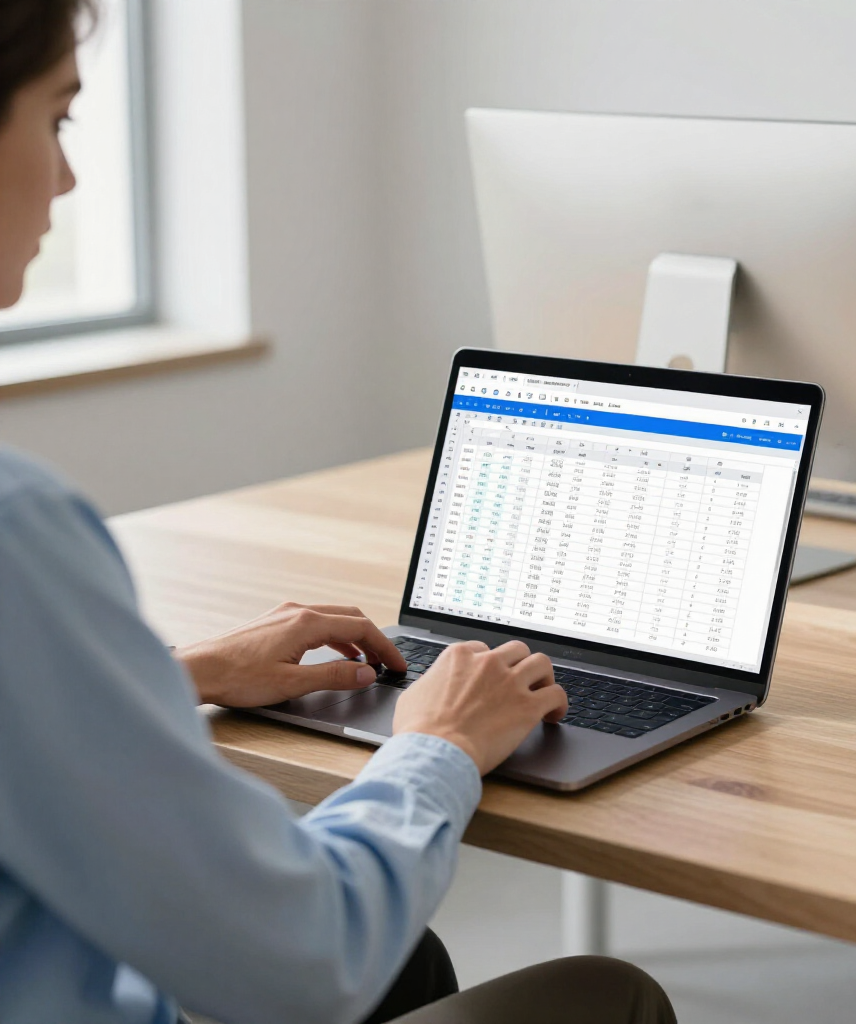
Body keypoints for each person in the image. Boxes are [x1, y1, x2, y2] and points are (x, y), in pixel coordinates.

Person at [0, 3, 677, 1023]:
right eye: (58, 121)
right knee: (603, 995)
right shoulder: (19, 532)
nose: (69, 178)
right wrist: (438, 744)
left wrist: (170, 678)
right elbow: (305, 960)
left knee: (410, 961)